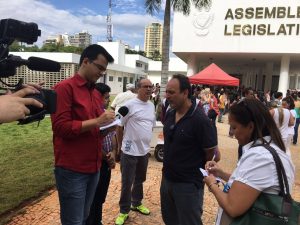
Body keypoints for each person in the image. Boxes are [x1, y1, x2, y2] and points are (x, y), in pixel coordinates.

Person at [50, 44, 116, 225]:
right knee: (74, 221)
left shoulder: (94, 93)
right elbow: (60, 127)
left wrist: (107, 128)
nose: (102, 73)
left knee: (85, 216)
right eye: (100, 67)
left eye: (104, 69)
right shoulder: (64, 88)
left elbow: (93, 129)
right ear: (85, 61)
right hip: (72, 169)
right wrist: (97, 122)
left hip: (93, 166)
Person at [204, 98, 295, 225]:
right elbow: (251, 185)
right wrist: (221, 174)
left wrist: (212, 184)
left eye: (234, 127)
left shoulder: (260, 157)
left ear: (251, 126)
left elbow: (233, 207)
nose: (232, 133)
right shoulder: (275, 150)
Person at [161, 74, 219, 225]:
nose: (167, 96)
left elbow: (212, 154)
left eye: (172, 92)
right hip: (167, 180)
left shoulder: (200, 120)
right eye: (167, 92)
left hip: (188, 185)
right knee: (170, 220)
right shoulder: (170, 113)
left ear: (185, 93)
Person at [115, 78, 156, 225]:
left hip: (143, 151)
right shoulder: (128, 105)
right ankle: (123, 211)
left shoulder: (151, 106)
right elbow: (118, 126)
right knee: (127, 181)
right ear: (138, 88)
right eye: (146, 86)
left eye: (151, 86)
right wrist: (120, 146)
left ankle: (136, 203)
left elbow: (150, 125)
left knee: (140, 179)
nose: (149, 89)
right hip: (129, 151)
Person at [87, 83, 117, 225]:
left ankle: (97, 221)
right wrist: (106, 157)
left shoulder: (107, 114)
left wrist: (113, 152)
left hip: (106, 162)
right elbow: (91, 142)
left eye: (108, 98)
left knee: (100, 198)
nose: (107, 101)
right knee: (91, 199)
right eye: (105, 98)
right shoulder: (91, 117)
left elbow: (113, 137)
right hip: (96, 163)